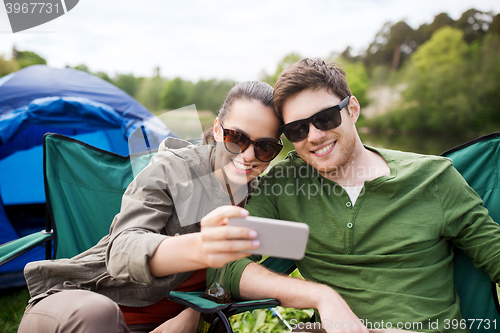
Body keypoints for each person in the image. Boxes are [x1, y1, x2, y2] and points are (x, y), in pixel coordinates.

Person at [211, 58, 500, 333]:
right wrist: (321, 296)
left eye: (324, 119)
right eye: (297, 129)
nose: (313, 136)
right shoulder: (287, 185)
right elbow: (224, 265)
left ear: (352, 110)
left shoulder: (432, 178)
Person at [18, 81, 285, 333]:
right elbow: (122, 251)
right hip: (82, 302)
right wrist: (205, 247)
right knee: (97, 313)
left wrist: (191, 316)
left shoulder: (259, 199)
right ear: (217, 129)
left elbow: (233, 278)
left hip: (165, 324)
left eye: (264, 146)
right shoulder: (173, 169)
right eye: (236, 137)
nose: (248, 155)